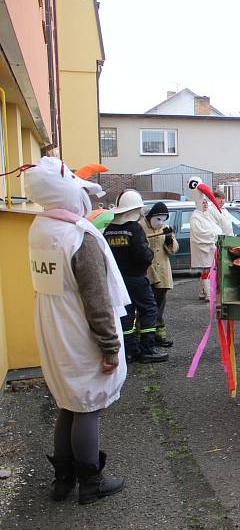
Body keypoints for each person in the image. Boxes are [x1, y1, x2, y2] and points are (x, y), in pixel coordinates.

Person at [24, 157, 127, 504]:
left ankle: (63, 479)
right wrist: (110, 346)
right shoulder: (78, 236)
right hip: (79, 330)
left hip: (54, 325)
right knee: (87, 405)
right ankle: (91, 481)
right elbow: (97, 300)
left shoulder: (40, 227)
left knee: (69, 402)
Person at [104, 190, 169, 363]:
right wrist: (149, 254)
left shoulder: (109, 230)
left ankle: (129, 351)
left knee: (126, 314)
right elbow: (144, 255)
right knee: (148, 310)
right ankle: (147, 349)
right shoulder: (134, 228)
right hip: (138, 278)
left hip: (118, 280)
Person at [140, 202, 179, 348]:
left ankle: (158, 335)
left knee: (159, 304)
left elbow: (173, 249)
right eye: (158, 219)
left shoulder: (164, 228)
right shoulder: (140, 227)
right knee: (146, 306)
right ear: (150, 217)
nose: (160, 222)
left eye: (163, 219)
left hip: (162, 273)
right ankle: (143, 335)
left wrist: (169, 239)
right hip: (147, 272)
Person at [187, 176, 223, 301]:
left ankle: (203, 292)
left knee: (206, 271)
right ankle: (208, 294)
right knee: (206, 272)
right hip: (204, 248)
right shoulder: (195, 217)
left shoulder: (205, 215)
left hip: (209, 248)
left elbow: (214, 226)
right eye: (203, 202)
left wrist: (215, 232)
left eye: (206, 202)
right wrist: (213, 235)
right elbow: (200, 233)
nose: (206, 204)